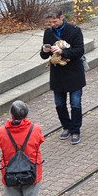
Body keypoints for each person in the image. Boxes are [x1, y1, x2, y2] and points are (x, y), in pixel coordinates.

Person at [39, 8, 86, 144]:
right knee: (59, 104)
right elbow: (43, 56)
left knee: (75, 103)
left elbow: (79, 50)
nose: (52, 25)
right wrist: (44, 50)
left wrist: (63, 52)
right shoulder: (48, 33)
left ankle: (75, 130)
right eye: (50, 22)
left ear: (62, 18)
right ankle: (66, 126)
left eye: (54, 21)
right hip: (57, 74)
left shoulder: (75, 30)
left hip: (74, 73)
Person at [0, 101, 44, 196]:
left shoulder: (2, 131)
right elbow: (39, 142)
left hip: (9, 174)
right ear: (26, 114)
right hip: (32, 173)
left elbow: (1, 144)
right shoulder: (35, 129)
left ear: (11, 115)